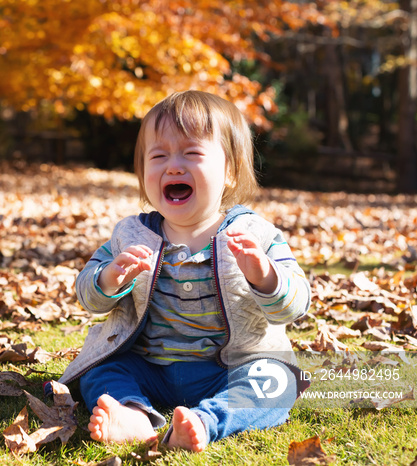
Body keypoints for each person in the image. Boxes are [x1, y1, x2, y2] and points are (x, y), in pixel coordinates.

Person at [57, 90, 311, 452]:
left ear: (229, 171)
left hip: (229, 371)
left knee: (276, 383)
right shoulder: (131, 234)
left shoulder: (256, 235)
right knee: (101, 372)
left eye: (191, 153)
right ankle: (132, 414)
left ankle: (205, 422)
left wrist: (264, 276)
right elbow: (87, 294)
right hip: (149, 367)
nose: (173, 166)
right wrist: (110, 278)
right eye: (158, 156)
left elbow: (296, 304)